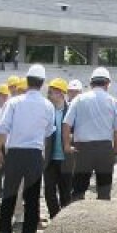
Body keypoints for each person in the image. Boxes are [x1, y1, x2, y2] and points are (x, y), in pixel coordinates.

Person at [0, 64, 54, 233]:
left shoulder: (14, 102)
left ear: (27, 81)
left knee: (9, 196)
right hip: (35, 154)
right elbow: (48, 131)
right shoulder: (48, 105)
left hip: (15, 153)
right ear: (42, 83)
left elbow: (3, 129)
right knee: (33, 199)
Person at [63, 66, 117, 201]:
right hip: (104, 149)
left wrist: (67, 145)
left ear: (91, 83)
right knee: (104, 191)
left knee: (79, 189)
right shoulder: (113, 101)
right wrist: (115, 152)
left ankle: (76, 218)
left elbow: (66, 123)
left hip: (83, 149)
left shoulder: (79, 100)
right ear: (107, 83)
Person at [44, 77, 72, 217]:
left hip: (67, 159)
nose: (48, 95)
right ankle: (54, 218)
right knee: (49, 191)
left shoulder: (72, 110)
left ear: (61, 93)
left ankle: (64, 222)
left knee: (66, 192)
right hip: (49, 159)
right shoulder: (46, 110)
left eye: (51, 92)